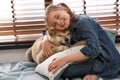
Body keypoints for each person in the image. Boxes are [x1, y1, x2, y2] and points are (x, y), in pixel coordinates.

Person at [42, 3, 120, 80]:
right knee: (57, 68)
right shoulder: (67, 25)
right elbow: (47, 31)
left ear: (64, 9)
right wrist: (45, 40)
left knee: (64, 71)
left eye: (57, 16)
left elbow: (93, 49)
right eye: (55, 24)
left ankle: (99, 74)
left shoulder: (83, 22)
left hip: (106, 60)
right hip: (92, 57)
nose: (59, 22)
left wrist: (64, 60)